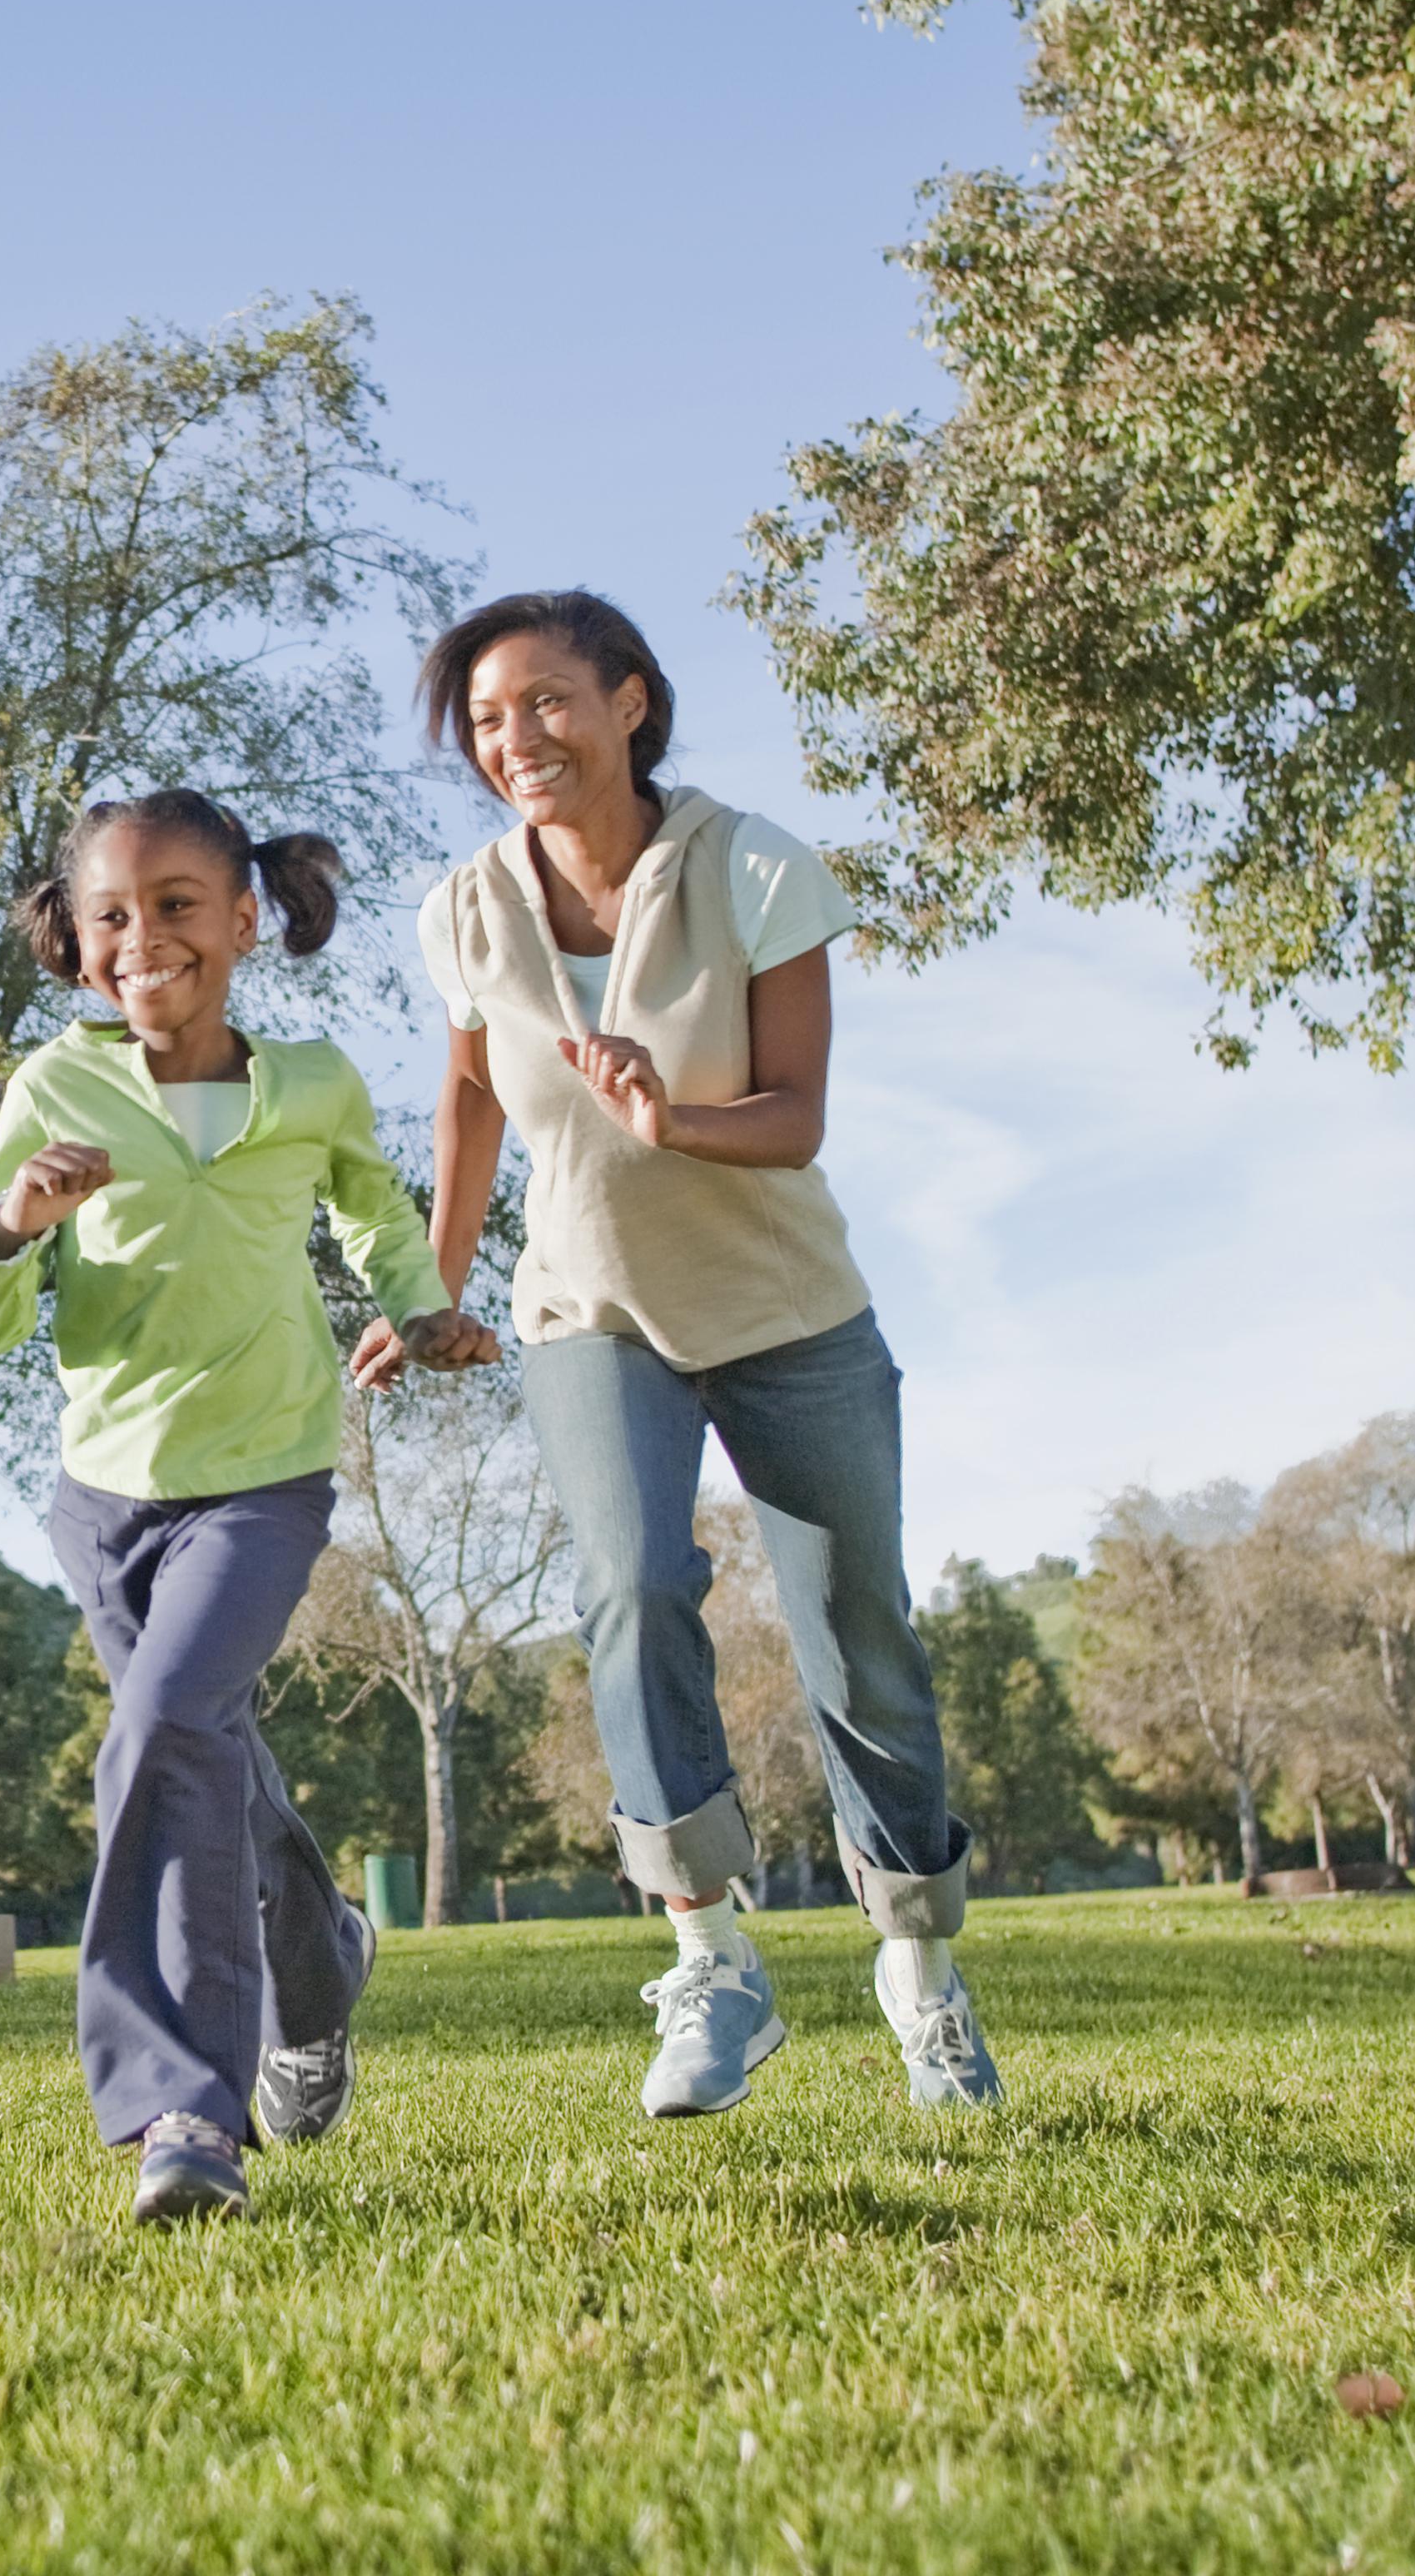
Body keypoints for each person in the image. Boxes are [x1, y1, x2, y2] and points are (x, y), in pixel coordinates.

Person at [408, 589, 1000, 2114]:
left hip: (787, 1315)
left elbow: (797, 1113)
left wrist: (674, 1118)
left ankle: (920, 1969)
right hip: (587, 1303)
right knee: (630, 1586)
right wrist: (437, 1283)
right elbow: (471, 1102)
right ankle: (711, 1960)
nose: (516, 740)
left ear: (630, 704)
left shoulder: (753, 867)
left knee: (858, 1639)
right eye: (485, 721)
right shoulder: (470, 907)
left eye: (546, 702)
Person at [0, 788, 478, 2225]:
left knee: (165, 1733)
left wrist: (420, 1308)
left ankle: (185, 2107)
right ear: (76, 943)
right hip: (101, 1497)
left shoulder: (307, 1085)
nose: (147, 938)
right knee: (206, 1759)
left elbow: (373, 1208)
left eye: (180, 905)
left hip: (264, 1477)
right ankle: (324, 1959)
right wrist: (13, 1228)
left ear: (245, 920)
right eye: (112, 915)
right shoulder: (53, 1088)